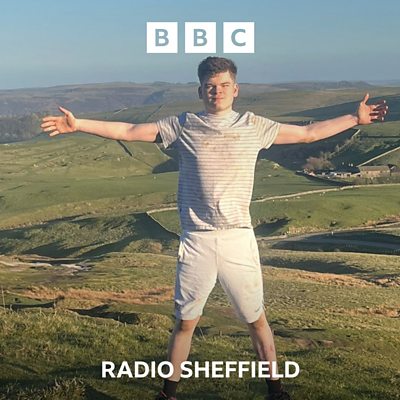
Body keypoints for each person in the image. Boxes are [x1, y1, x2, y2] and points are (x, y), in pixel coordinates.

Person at [41, 57, 388, 400]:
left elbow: (308, 134)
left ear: (235, 90)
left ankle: (276, 391)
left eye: (223, 85)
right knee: (185, 322)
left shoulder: (254, 126)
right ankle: (168, 394)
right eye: (210, 86)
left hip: (238, 237)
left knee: (256, 319)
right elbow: (130, 132)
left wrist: (354, 119)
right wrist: (78, 124)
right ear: (200, 91)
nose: (216, 91)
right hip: (197, 240)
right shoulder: (183, 125)